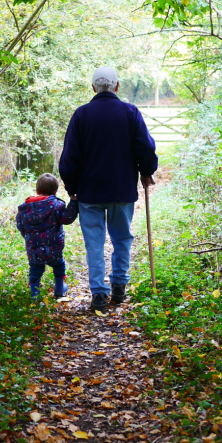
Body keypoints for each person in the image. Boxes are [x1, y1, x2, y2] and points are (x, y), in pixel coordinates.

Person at [58, 67, 158, 312]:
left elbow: (69, 157)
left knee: (94, 243)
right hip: (121, 190)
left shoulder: (81, 115)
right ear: (117, 86)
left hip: (89, 193)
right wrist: (147, 171)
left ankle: (99, 294)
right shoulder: (130, 112)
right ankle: (119, 286)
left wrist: (72, 188)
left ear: (93, 88)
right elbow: (145, 147)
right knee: (122, 238)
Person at [16, 173, 79, 301]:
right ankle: (59, 290)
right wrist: (73, 202)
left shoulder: (25, 208)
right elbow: (67, 219)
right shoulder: (57, 205)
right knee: (59, 266)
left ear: (37, 190)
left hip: (34, 249)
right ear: (55, 191)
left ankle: (35, 295)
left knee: (35, 270)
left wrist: (29, 238)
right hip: (54, 248)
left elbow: (20, 226)